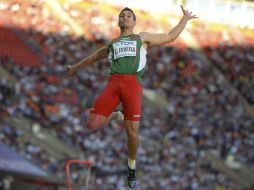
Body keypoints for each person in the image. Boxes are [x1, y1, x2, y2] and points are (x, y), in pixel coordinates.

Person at [66, 6, 197, 188]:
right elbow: (91, 58)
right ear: (119, 21)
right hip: (114, 83)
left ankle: (132, 165)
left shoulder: (142, 38)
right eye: (122, 16)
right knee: (91, 123)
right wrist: (75, 68)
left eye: (128, 16)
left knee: (132, 134)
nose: (125, 17)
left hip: (133, 85)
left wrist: (185, 19)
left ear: (134, 22)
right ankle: (115, 115)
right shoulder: (112, 44)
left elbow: (170, 37)